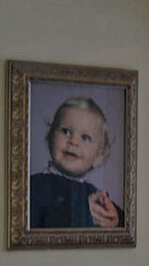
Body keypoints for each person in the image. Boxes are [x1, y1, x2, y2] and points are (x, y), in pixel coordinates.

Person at [28, 94, 125, 229]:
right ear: (49, 137)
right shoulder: (35, 186)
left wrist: (114, 220)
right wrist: (83, 209)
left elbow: (128, 226)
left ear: (98, 157)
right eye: (66, 131)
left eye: (85, 137)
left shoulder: (94, 194)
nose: (73, 141)